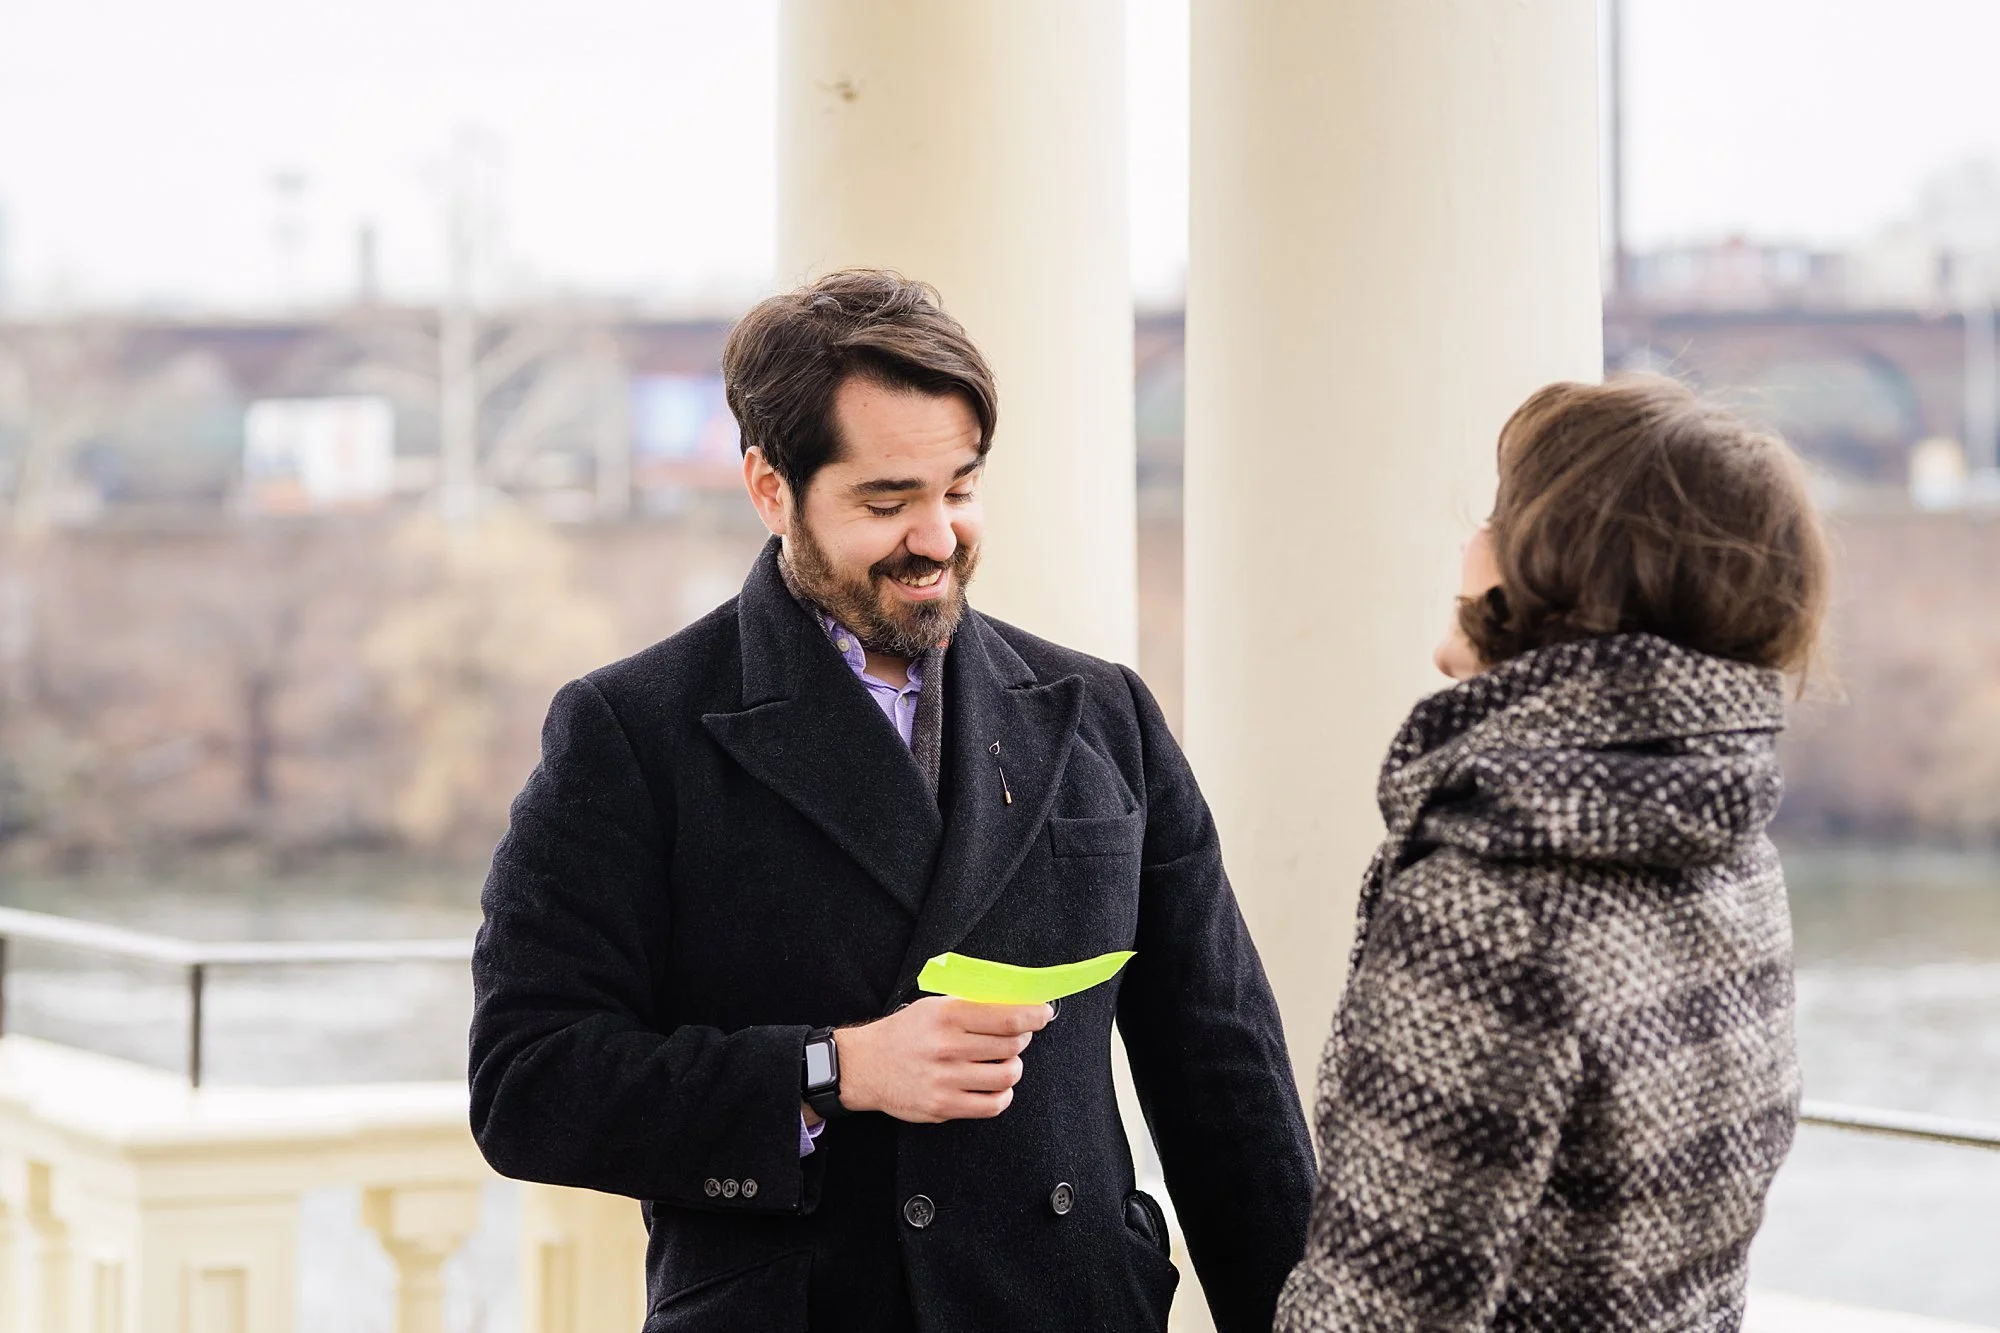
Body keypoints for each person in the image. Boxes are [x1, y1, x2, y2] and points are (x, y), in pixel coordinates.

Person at [468, 269, 1314, 1333]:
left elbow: (1223, 1078)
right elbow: (527, 1085)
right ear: (770, 488)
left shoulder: (1103, 714)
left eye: (957, 489)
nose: (935, 537)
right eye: (885, 502)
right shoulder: (632, 729)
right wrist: (833, 1067)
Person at [1275, 375, 1831, 1332]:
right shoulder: (1726, 847)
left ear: (1558, 570)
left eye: (1498, 514)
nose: (1465, 540)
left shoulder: (1494, 896)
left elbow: (1376, 1310)